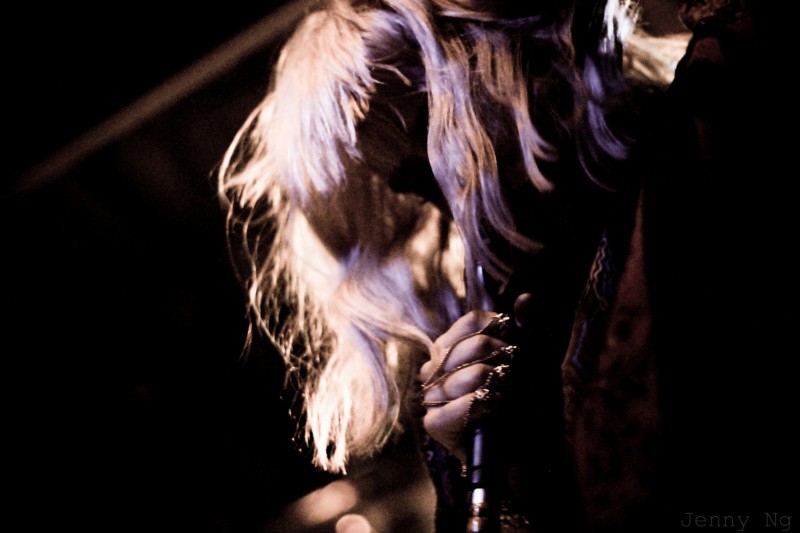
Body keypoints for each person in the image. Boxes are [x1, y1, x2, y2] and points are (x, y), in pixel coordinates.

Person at [217, 0, 794, 530]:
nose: (453, 205)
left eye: (433, 136)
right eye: (421, 187)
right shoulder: (514, 319)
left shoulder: (713, 112)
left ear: (498, 56)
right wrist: (491, 478)